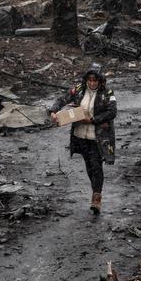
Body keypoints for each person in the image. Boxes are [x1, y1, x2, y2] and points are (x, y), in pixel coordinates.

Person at [48, 64, 117, 214]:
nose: (92, 83)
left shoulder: (107, 93)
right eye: (90, 80)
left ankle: (96, 197)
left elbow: (112, 112)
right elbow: (62, 99)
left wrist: (93, 120)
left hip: (97, 137)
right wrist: (53, 111)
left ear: (100, 81)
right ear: (86, 80)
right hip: (80, 135)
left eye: (95, 80)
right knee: (89, 166)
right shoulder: (79, 90)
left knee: (96, 165)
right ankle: (95, 192)